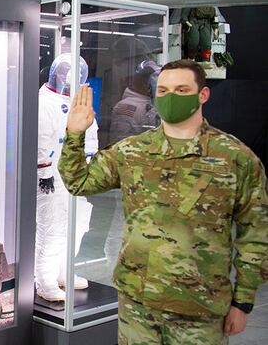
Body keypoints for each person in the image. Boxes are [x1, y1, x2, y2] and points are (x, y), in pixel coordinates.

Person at [59, 59, 268, 344]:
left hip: (199, 308)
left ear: (203, 95)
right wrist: (74, 134)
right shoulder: (133, 151)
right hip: (138, 303)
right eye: (163, 90)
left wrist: (243, 302)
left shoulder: (235, 158)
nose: (171, 97)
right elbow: (79, 182)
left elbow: (255, 235)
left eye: (182, 90)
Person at [35, 53, 98, 302]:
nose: (71, 76)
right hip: (51, 179)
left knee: (77, 226)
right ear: (56, 74)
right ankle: (45, 280)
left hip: (76, 176)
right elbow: (41, 138)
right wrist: (44, 172)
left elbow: (91, 134)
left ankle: (64, 272)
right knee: (52, 229)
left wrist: (89, 167)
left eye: (76, 73)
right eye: (66, 72)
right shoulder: (44, 102)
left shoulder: (77, 102)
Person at [109, 60, 161, 143]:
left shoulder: (150, 102)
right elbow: (120, 141)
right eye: (156, 82)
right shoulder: (128, 106)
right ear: (146, 84)